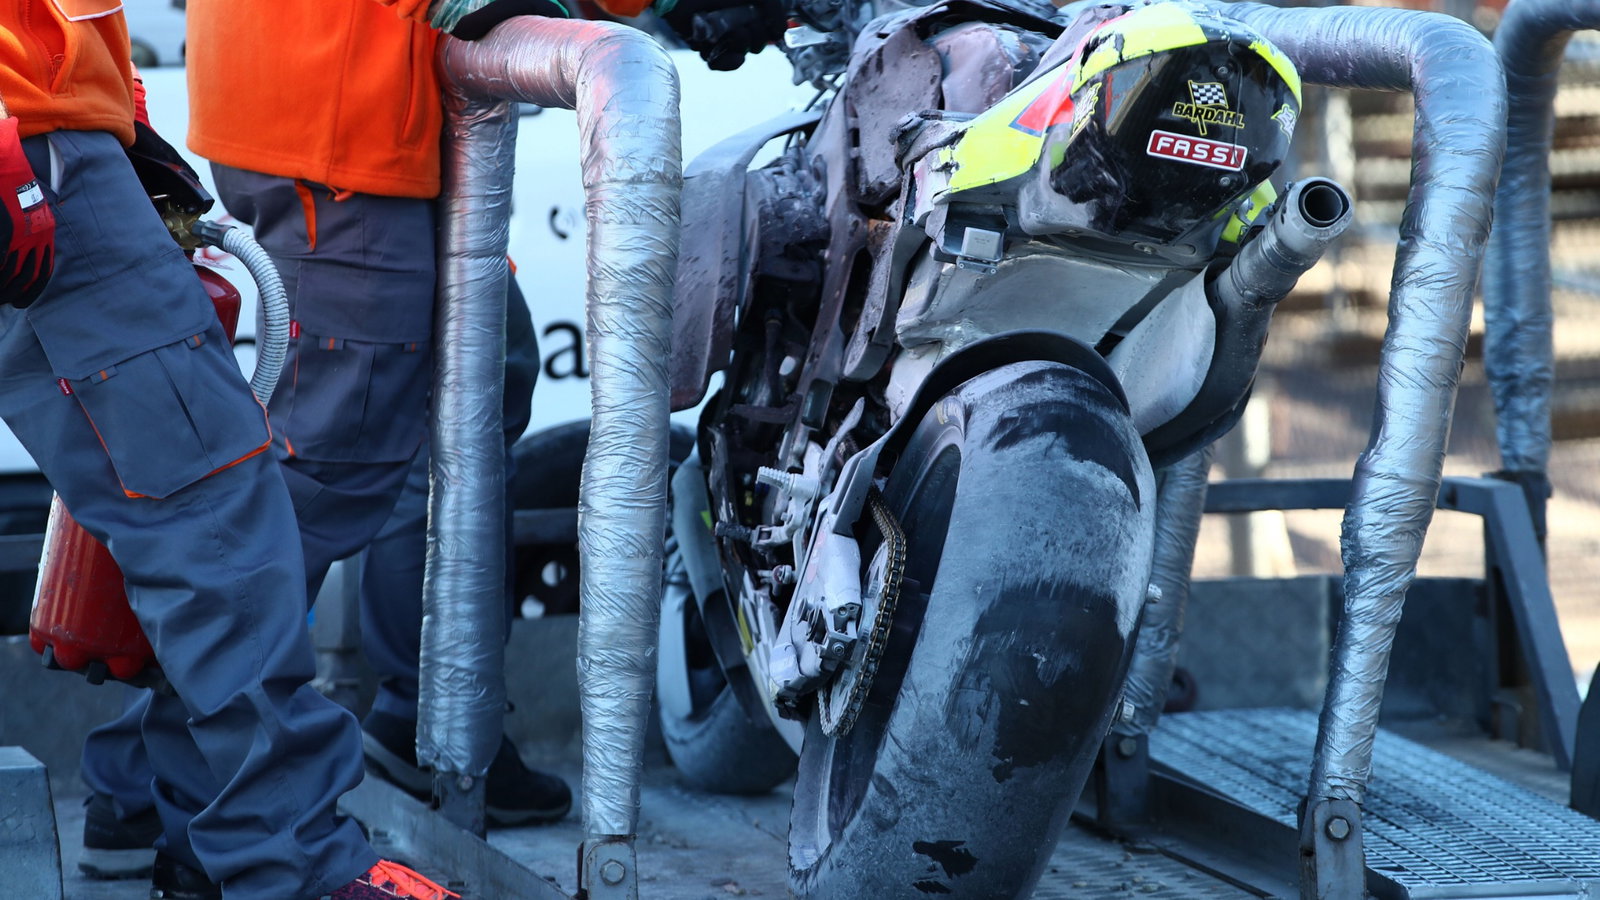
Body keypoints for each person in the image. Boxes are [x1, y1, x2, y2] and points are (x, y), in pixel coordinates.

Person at [0, 4, 457, 899]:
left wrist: (120, 110)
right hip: (36, 131)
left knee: (189, 506)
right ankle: (291, 867)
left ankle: (187, 815)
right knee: (212, 518)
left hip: (59, 119)